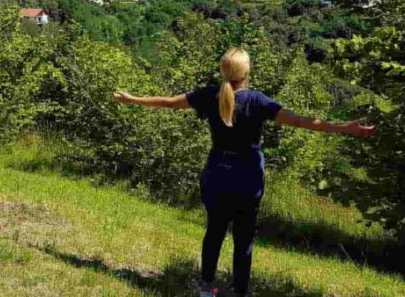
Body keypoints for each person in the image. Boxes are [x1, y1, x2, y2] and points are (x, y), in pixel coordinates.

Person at [112, 48, 375, 297]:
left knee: (214, 232)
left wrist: (132, 98)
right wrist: (344, 127)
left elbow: (169, 103)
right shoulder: (257, 101)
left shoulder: (209, 95)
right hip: (248, 177)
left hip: (217, 173)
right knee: (243, 238)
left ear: (223, 70)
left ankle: (206, 288)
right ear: (247, 71)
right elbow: (300, 121)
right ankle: (239, 291)